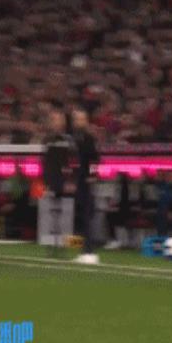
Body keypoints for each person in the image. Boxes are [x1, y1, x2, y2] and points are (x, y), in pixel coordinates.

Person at [71, 106, 100, 265]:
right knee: (80, 217)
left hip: (85, 181)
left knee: (87, 216)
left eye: (81, 119)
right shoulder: (73, 138)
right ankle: (83, 250)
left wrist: (92, 175)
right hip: (77, 181)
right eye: (77, 119)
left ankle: (90, 251)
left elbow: (95, 159)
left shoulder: (88, 138)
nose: (78, 122)